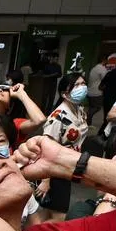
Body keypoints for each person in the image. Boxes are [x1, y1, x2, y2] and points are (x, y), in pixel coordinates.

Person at [38, 73, 91, 218]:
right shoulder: (57, 117)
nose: (82, 87)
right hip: (56, 168)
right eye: (76, 85)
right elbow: (46, 148)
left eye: (83, 83)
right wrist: (45, 180)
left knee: (47, 213)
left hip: (69, 167)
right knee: (59, 215)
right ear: (64, 93)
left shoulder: (80, 111)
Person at [86, 55, 110, 125]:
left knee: (92, 107)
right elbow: (105, 80)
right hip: (96, 92)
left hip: (90, 91)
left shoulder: (94, 68)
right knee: (97, 107)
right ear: (104, 60)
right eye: (107, 60)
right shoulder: (102, 68)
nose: (107, 61)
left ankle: (88, 122)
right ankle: (87, 120)